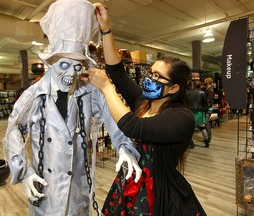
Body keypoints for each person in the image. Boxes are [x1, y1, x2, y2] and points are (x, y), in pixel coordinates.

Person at [3, 0, 142, 215]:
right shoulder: (33, 95)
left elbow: (115, 118)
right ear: (51, 62)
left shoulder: (89, 92)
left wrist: (124, 146)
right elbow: (13, 130)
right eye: (64, 65)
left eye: (77, 66)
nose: (71, 74)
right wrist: (25, 172)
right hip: (45, 187)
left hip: (78, 187)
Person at [88, 3, 207, 216]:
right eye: (150, 73)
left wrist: (105, 87)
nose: (150, 79)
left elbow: (133, 126)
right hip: (129, 185)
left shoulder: (182, 118)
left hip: (161, 195)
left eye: (158, 77)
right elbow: (117, 71)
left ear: (174, 87)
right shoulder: (143, 102)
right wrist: (106, 28)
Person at [187, 81, 209, 147]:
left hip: (191, 111)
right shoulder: (202, 93)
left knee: (190, 128)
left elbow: (186, 102)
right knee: (202, 127)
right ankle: (207, 142)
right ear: (200, 86)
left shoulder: (188, 93)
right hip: (200, 112)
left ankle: (191, 143)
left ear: (193, 85)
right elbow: (205, 103)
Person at [204, 77, 214, 143]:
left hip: (208, 109)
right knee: (206, 123)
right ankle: (207, 137)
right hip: (208, 108)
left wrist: (204, 108)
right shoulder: (208, 89)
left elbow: (208, 101)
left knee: (206, 123)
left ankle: (208, 137)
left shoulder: (210, 90)